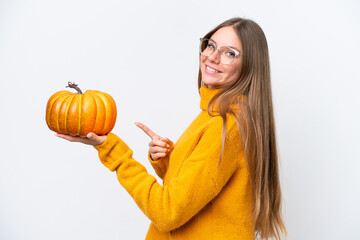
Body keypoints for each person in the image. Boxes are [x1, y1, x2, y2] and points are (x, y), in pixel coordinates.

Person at [57, 17, 287, 240]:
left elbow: (167, 213)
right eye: (211, 46)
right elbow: (203, 188)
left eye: (230, 53)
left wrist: (113, 151)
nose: (212, 57)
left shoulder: (226, 124)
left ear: (250, 66)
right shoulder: (216, 115)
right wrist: (169, 160)